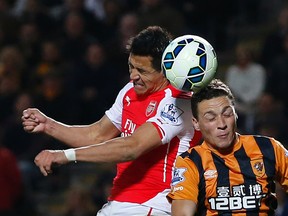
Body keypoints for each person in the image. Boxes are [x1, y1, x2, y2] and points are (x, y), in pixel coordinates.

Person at [22, 26, 202, 215]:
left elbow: (132, 146)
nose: (133, 76)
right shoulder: (129, 92)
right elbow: (97, 134)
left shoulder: (179, 101)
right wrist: (49, 125)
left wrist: (65, 155)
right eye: (131, 66)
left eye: (142, 70)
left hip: (154, 204)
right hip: (120, 202)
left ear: (165, 71)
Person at [167, 79, 288, 215]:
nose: (222, 124)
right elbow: (182, 213)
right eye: (211, 118)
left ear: (235, 114)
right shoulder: (191, 162)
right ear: (196, 123)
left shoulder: (269, 148)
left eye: (227, 114)